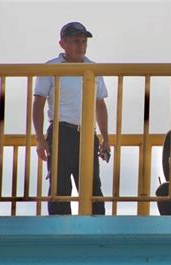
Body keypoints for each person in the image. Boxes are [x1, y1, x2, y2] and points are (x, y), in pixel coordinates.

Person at [33, 22, 110, 215]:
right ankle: (59, 232)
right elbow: (38, 104)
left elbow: (100, 105)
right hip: (61, 132)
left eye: (84, 42)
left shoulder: (93, 68)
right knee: (60, 187)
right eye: (76, 41)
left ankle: (97, 232)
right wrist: (40, 140)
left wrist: (105, 138)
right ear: (63, 44)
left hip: (87, 134)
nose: (81, 46)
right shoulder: (51, 68)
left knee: (92, 187)